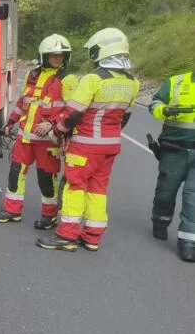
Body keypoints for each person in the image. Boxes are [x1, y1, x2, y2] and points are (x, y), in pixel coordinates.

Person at [37, 28, 140, 251]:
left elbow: (72, 114)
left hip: (85, 147)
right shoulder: (133, 82)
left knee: (74, 187)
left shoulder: (93, 79)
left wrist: (56, 132)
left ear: (101, 51)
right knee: (98, 190)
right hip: (110, 147)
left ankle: (67, 236)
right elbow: (125, 117)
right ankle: (92, 237)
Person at [0, 34, 71, 229]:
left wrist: (53, 124)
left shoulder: (68, 80)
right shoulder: (32, 75)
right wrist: (10, 122)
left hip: (48, 141)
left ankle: (49, 216)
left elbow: (73, 111)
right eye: (53, 55)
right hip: (24, 137)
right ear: (44, 55)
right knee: (15, 172)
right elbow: (22, 103)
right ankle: (12, 210)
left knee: (47, 178)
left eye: (61, 55)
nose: (58, 58)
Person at [148, 71, 195, 261]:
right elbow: (154, 104)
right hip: (174, 148)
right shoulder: (176, 82)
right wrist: (165, 110)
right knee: (166, 191)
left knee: (193, 196)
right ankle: (160, 220)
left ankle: (188, 242)